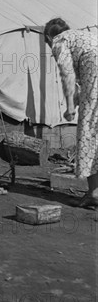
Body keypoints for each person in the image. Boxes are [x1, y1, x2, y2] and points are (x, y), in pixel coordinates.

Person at [44, 18, 98, 208]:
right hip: (93, 80)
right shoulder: (84, 36)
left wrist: (68, 107)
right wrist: (75, 101)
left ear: (49, 37)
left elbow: (67, 75)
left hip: (94, 80)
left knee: (89, 134)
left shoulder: (60, 41)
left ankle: (94, 193)